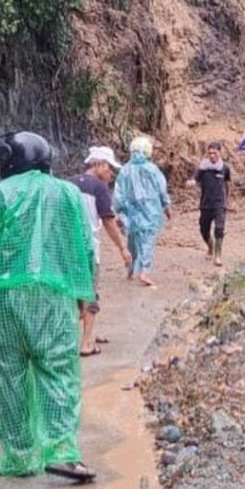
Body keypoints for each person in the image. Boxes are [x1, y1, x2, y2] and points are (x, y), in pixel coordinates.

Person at [0, 131, 97, 481]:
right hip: (54, 296)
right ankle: (63, 453)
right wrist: (87, 296)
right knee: (57, 370)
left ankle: (18, 457)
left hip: (3, 297)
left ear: (11, 160)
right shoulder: (70, 193)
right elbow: (85, 248)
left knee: (8, 375)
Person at [68, 146, 131, 357]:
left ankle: (70, 339)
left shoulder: (67, 184)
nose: (111, 174)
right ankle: (86, 343)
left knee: (69, 294)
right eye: (110, 169)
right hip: (88, 249)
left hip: (65, 249)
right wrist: (122, 248)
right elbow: (108, 222)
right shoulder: (99, 188)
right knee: (89, 294)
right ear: (98, 165)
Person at [113, 136, 171, 287]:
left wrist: (117, 211)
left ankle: (131, 270)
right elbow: (162, 188)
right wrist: (166, 206)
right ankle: (144, 272)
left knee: (132, 240)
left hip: (131, 212)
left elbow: (118, 193)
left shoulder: (125, 170)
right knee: (148, 242)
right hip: (151, 211)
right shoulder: (152, 169)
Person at [187, 141, 231, 266]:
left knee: (219, 228)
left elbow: (227, 184)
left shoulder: (225, 168)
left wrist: (227, 199)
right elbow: (195, 179)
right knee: (203, 229)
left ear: (220, 153)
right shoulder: (202, 168)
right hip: (206, 204)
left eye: (214, 153)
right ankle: (210, 247)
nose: (212, 155)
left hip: (219, 204)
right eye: (210, 153)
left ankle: (218, 256)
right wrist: (191, 183)